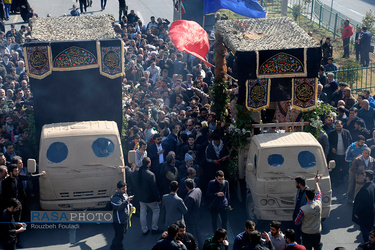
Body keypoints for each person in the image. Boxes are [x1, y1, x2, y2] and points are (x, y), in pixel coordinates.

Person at [295, 176, 322, 250]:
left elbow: (297, 222)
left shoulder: (303, 209)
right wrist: (316, 182)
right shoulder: (318, 204)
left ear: (306, 197)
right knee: (317, 247)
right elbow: (319, 193)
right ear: (314, 196)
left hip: (306, 233)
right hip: (317, 232)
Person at [136, 157, 161, 235]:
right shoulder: (151, 175)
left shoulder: (139, 172)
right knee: (156, 210)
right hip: (150, 198)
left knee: (143, 212)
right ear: (149, 164)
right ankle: (154, 228)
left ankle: (144, 230)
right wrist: (158, 199)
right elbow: (154, 188)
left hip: (141, 197)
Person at [353, 170, 375, 243]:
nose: (363, 177)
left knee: (365, 231)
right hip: (372, 214)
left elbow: (361, 203)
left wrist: (356, 213)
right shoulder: (373, 186)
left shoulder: (365, 189)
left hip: (365, 216)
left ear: (367, 177)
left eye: (364, 175)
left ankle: (367, 244)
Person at [110, 181, 133, 250]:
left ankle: (112, 247)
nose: (125, 190)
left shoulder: (124, 194)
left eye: (125, 188)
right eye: (123, 189)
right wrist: (127, 201)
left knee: (120, 235)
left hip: (124, 220)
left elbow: (127, 203)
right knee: (119, 237)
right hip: (118, 222)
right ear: (118, 189)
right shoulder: (115, 198)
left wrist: (130, 205)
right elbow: (120, 208)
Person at [345, 135, 367, 203]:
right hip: (353, 168)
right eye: (361, 142)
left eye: (363, 142)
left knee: (361, 184)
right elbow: (346, 159)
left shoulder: (365, 147)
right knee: (352, 184)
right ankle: (349, 199)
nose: (362, 144)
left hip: (362, 168)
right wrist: (354, 159)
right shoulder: (350, 148)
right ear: (357, 142)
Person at [183, 178, 202, 248]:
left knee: (193, 234)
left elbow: (187, 210)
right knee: (197, 232)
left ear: (186, 186)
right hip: (197, 215)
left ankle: (195, 247)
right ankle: (201, 245)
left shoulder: (190, 197)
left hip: (191, 219)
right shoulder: (198, 190)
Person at [292, 176, 308, 244]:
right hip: (296, 214)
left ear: (300, 184)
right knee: (296, 234)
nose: (295, 185)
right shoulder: (299, 190)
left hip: (302, 216)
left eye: (296, 183)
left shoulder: (307, 192)